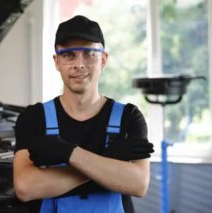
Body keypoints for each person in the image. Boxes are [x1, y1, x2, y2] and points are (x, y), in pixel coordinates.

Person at [13, 15, 154, 213]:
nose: (79, 64)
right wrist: (107, 162)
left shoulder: (128, 117)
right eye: (69, 55)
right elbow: (26, 188)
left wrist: (67, 153)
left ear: (103, 59)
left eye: (89, 53)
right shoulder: (34, 118)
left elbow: (138, 184)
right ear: (57, 62)